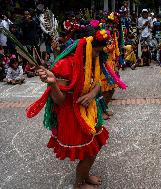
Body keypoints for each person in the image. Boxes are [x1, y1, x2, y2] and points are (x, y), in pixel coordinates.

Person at [27, 24, 110, 189]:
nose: (98, 54)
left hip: (90, 112)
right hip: (72, 116)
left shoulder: (93, 60)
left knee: (93, 148)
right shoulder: (65, 65)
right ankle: (79, 184)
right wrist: (53, 85)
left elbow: (98, 82)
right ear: (86, 46)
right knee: (89, 152)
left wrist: (92, 94)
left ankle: (85, 176)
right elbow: (59, 100)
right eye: (96, 50)